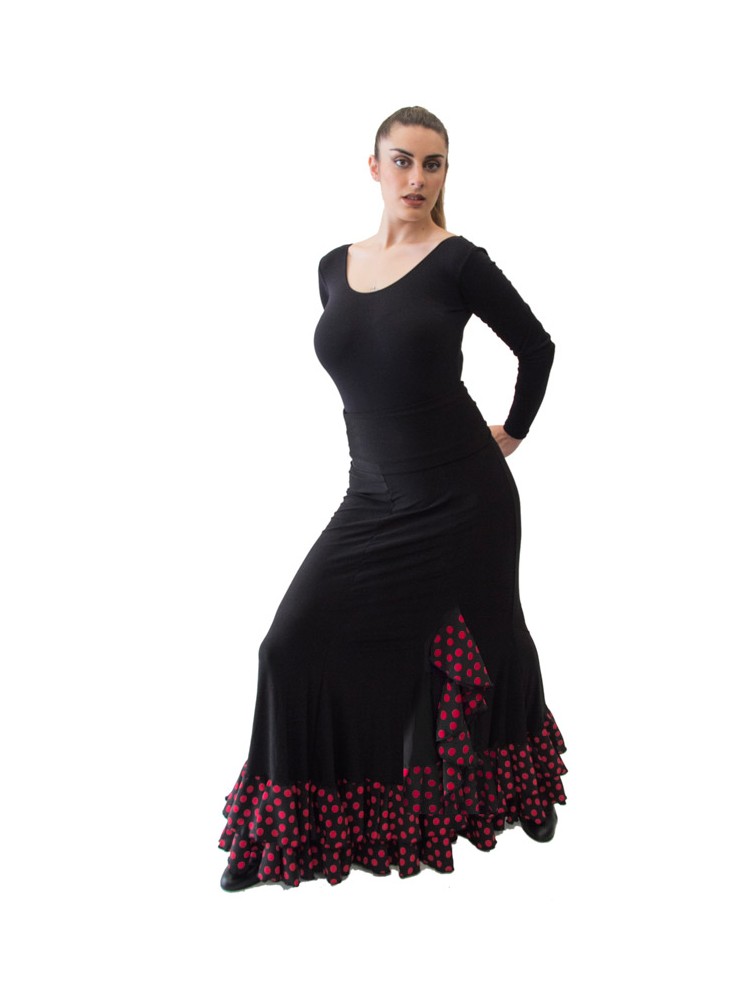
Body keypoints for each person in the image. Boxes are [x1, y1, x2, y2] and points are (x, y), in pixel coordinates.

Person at [218, 106, 567, 891]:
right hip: (373, 498)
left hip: (466, 499)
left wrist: (513, 433)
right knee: (289, 646)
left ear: (445, 174)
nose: (417, 178)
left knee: (489, 641)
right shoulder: (331, 268)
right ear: (373, 167)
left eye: (432, 164)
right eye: (402, 160)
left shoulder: (458, 262)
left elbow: (537, 346)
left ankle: (522, 792)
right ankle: (283, 833)